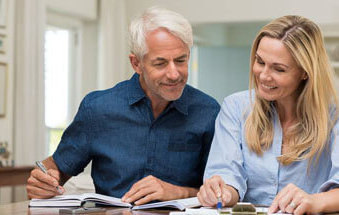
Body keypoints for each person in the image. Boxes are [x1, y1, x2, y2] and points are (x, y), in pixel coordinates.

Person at [26, 7, 220, 205]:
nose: (174, 74)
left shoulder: (208, 112)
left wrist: (175, 192)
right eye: (160, 63)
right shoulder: (97, 109)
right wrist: (42, 183)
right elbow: (55, 170)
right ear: (136, 64)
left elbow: (220, 192)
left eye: (180, 60)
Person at [197, 15, 339, 215]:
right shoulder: (236, 107)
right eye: (260, 61)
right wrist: (222, 192)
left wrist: (315, 201)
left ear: (305, 72)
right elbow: (227, 175)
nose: (263, 75)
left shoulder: (334, 117)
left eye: (279, 69)